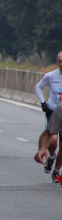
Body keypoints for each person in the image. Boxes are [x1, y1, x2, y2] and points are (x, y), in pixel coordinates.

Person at [35, 51, 62, 181]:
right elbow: (38, 87)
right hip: (53, 111)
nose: (61, 64)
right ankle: (51, 157)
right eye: (59, 61)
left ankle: (56, 171)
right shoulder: (51, 76)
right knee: (53, 140)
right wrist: (43, 103)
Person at [34, 103, 62, 186]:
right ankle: (55, 167)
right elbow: (47, 134)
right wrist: (42, 149)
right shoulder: (60, 109)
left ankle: (56, 170)